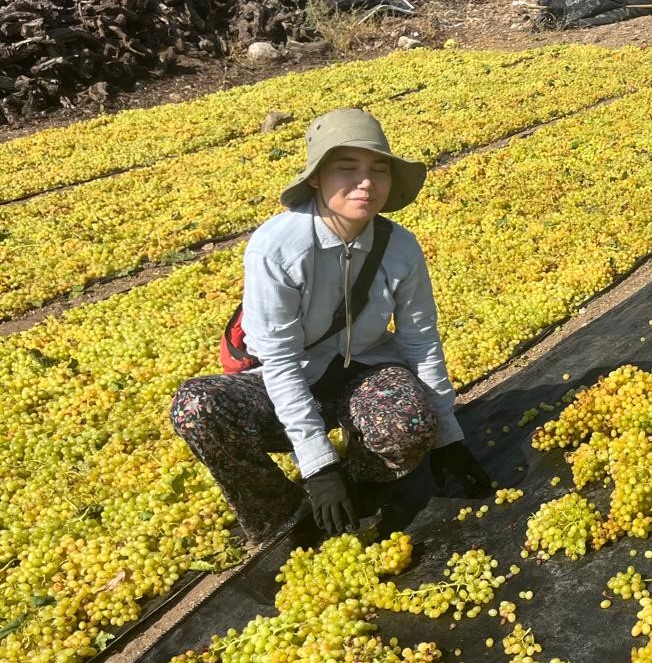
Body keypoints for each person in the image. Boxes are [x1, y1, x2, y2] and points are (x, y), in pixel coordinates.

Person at [171, 108, 491, 545]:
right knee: (196, 406)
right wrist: (318, 465)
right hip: (290, 380)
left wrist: (447, 435)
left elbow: (421, 341)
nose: (366, 182)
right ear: (317, 178)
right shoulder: (278, 248)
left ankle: (365, 485)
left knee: (407, 420)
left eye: (379, 170)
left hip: (367, 374)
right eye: (347, 168)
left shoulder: (399, 247)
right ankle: (280, 514)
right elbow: (280, 362)